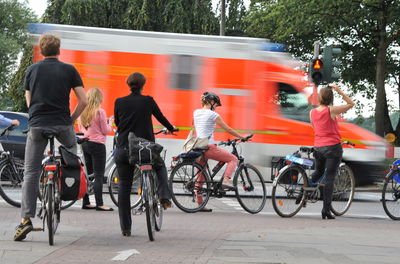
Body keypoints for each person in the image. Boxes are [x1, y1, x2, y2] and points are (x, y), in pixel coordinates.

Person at [14, 34, 87, 241]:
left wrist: (36, 114)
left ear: (42, 51)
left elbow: (29, 100)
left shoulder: (31, 70)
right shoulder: (69, 70)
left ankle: (25, 221)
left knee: (30, 171)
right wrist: (71, 119)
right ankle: (64, 188)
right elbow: (84, 99)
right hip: (63, 125)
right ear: (59, 50)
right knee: (72, 156)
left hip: (37, 125)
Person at [114, 72, 176, 237]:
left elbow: (118, 124)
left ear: (128, 84)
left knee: (124, 187)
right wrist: (171, 128)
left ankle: (126, 228)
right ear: (143, 85)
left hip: (124, 149)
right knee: (160, 166)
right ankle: (163, 196)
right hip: (145, 149)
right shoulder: (148, 101)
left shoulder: (119, 102)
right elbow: (161, 117)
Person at [194, 92, 247, 212]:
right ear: (211, 102)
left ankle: (200, 203)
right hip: (209, 146)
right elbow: (227, 128)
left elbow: (198, 128)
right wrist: (241, 137)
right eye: (216, 104)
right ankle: (226, 181)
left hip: (198, 146)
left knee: (201, 176)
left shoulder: (196, 112)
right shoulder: (213, 114)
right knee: (233, 159)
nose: (216, 106)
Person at [309, 84, 354, 220]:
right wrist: (338, 89)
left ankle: (302, 193)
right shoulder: (331, 111)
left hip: (317, 147)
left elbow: (315, 128)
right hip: (332, 148)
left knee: (317, 172)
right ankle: (326, 210)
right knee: (330, 178)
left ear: (320, 98)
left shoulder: (312, 112)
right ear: (330, 99)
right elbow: (351, 103)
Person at [78, 88, 113, 211]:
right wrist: (111, 124)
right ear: (98, 99)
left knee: (88, 174)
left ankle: (86, 202)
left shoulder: (82, 111)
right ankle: (100, 203)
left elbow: (81, 128)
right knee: (98, 175)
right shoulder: (100, 112)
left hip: (85, 144)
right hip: (97, 145)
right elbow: (105, 130)